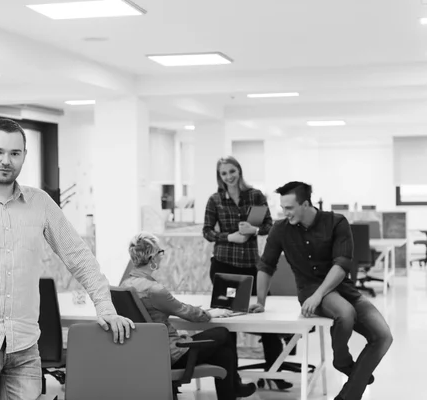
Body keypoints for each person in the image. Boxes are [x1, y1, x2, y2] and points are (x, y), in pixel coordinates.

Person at [0, 118, 134, 400]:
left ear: (24, 156)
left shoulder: (39, 204)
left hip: (25, 348)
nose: (6, 160)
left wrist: (105, 306)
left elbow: (79, 257)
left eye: (14, 153)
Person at [251, 181, 393, 400]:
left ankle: (346, 387)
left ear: (306, 204)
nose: (284, 212)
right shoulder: (280, 229)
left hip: (341, 288)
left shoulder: (336, 222)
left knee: (383, 336)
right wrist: (261, 301)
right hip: (309, 289)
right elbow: (266, 265)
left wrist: (319, 295)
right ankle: (344, 361)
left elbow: (342, 264)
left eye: (289, 208)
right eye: (282, 207)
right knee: (345, 313)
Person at [121, 232, 257, 400]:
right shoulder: (155, 290)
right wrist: (210, 313)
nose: (162, 256)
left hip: (149, 355)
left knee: (224, 354)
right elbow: (186, 312)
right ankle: (235, 387)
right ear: (152, 259)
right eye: (160, 252)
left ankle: (234, 389)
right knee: (223, 333)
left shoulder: (125, 285)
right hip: (173, 355)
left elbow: (175, 307)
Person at [202, 156, 291, 390]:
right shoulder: (215, 199)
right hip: (224, 267)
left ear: (239, 171)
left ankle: (274, 373)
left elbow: (270, 226)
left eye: (232, 171)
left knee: (266, 321)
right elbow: (207, 231)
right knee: (228, 327)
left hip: (251, 267)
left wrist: (254, 229)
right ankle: (233, 381)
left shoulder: (254, 196)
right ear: (219, 176)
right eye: (224, 173)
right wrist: (227, 236)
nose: (229, 176)